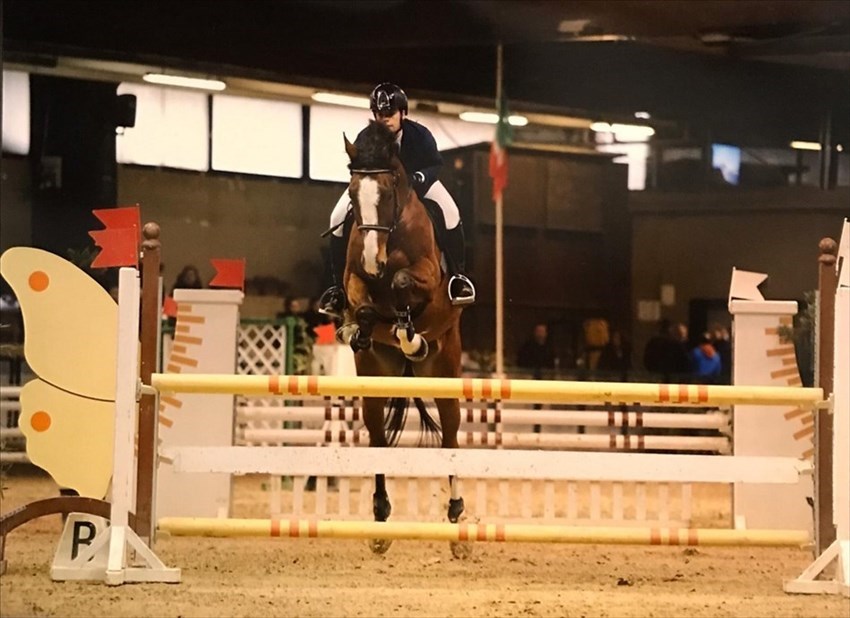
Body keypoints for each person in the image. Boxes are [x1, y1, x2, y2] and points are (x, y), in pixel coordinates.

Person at [318, 82, 475, 318]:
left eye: (390, 114)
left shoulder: (419, 135)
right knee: (336, 216)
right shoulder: (366, 138)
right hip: (380, 193)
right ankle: (337, 289)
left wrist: (419, 177)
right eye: (379, 114)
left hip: (419, 185)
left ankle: (457, 278)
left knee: (451, 212)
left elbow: (435, 164)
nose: (385, 119)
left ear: (403, 113)